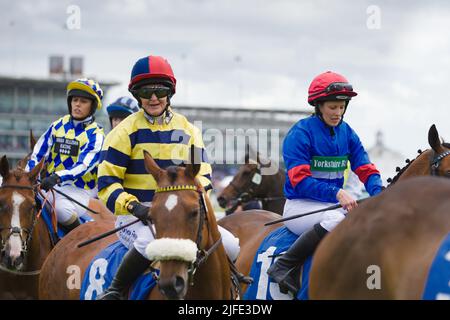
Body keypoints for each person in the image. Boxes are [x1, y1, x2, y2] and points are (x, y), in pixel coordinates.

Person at [96, 55, 243, 300]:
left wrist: (193, 208)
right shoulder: (123, 132)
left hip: (182, 215)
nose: (153, 97)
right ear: (136, 94)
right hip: (138, 216)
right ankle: (115, 291)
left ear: (170, 92)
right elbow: (107, 184)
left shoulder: (188, 130)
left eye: (160, 90)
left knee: (230, 245)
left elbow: (204, 176)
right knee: (147, 243)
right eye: (146, 91)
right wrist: (133, 207)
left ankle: (231, 288)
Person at [267, 71, 383, 294]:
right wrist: (337, 193)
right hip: (299, 207)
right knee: (338, 220)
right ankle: (284, 265)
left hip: (331, 205)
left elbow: (366, 168)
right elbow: (300, 182)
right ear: (319, 105)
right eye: (332, 107)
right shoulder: (300, 133)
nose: (338, 112)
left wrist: (380, 193)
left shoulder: (347, 133)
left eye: (342, 107)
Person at [25, 78, 105, 233]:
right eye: (75, 100)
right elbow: (38, 153)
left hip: (78, 188)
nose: (77, 104)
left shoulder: (96, 134)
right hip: (49, 183)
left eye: (83, 101)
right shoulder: (57, 125)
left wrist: (57, 177)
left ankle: (80, 238)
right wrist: (28, 175)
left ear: (92, 106)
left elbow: (83, 166)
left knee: (61, 210)